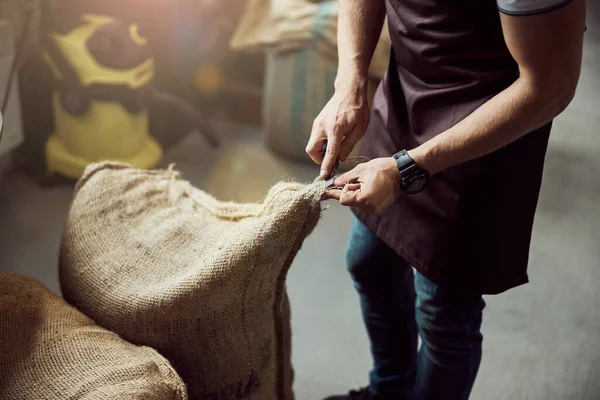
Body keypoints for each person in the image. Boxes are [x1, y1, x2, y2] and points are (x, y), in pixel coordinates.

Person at [305, 0, 586, 399]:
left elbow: (550, 86)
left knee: (443, 316)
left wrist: (407, 169)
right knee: (369, 264)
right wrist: (348, 83)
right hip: (406, 94)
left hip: (484, 133)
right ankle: (390, 390)